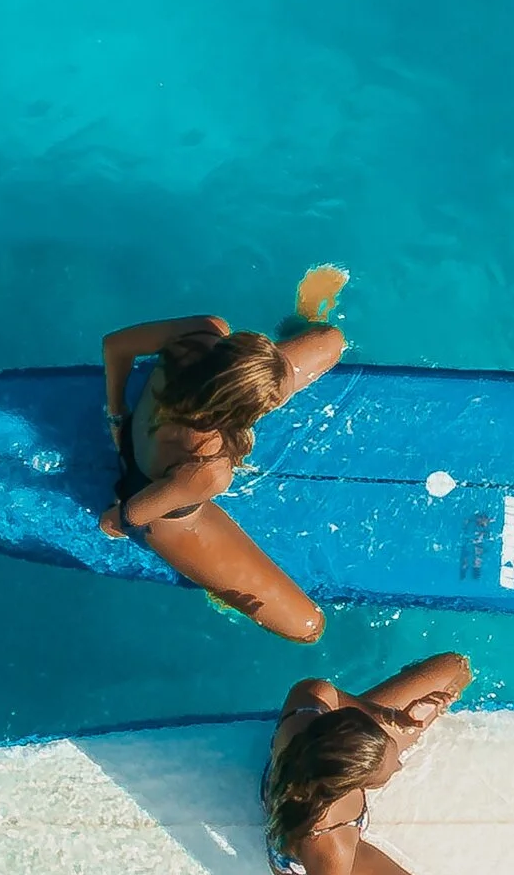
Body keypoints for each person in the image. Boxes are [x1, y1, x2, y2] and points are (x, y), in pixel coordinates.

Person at [97, 267, 348, 639]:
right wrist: (114, 523)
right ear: (239, 416)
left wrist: (117, 414)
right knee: (309, 627)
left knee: (330, 340)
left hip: (155, 433)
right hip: (163, 507)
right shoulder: (208, 469)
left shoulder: (200, 333)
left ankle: (299, 330)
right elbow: (123, 518)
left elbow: (114, 345)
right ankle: (213, 579)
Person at [262, 649, 500, 875]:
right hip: (304, 866)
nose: (400, 765)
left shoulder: (310, 702)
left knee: (453, 670)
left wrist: (391, 717)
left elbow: (338, 700)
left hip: (314, 765)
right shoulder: (330, 842)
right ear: (351, 785)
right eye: (386, 767)